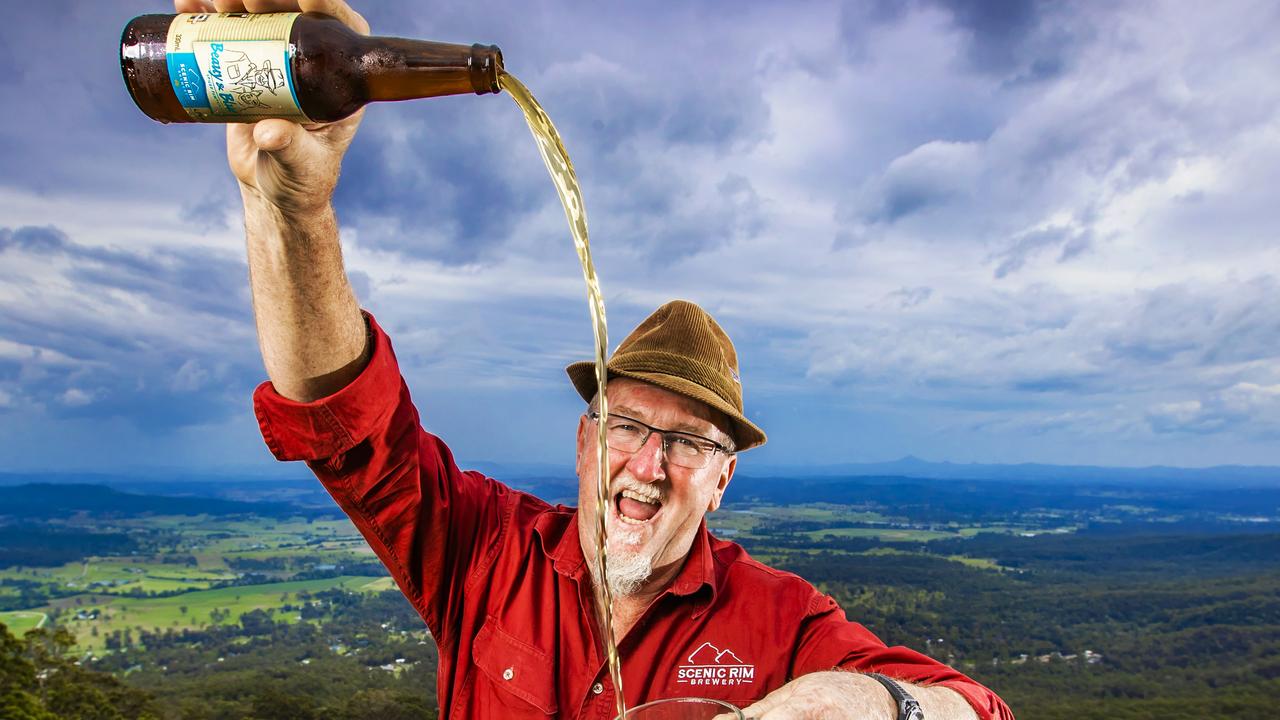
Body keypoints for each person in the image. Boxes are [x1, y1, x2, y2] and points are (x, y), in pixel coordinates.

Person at [185, 0, 1014, 716]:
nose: (648, 465)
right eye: (627, 426)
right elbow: (349, 426)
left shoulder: (783, 622)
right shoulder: (485, 553)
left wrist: (869, 702)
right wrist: (290, 209)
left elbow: (978, 708)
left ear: (723, 479)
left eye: (690, 442)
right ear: (585, 442)